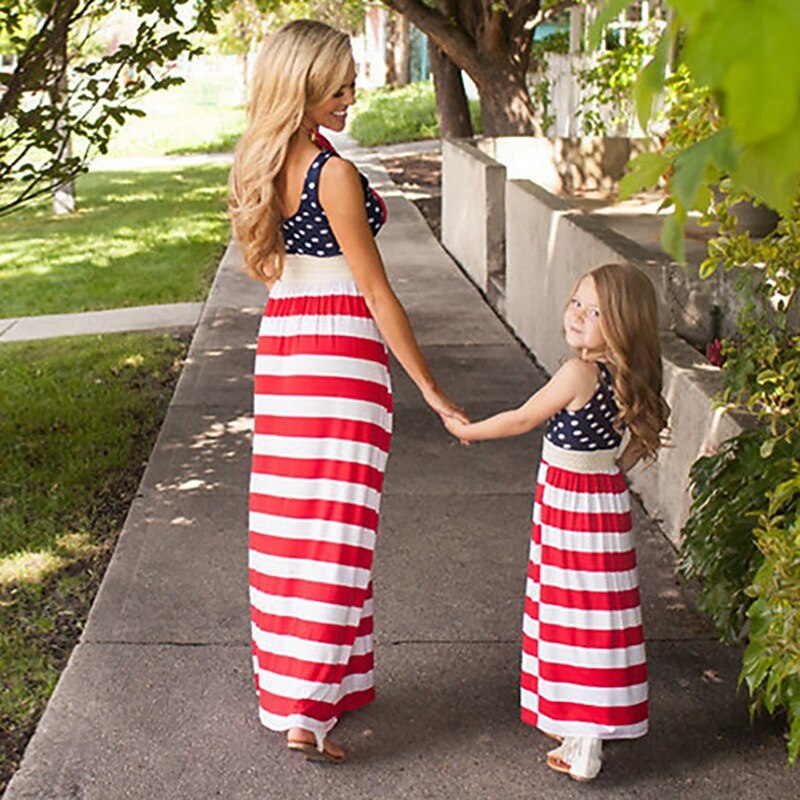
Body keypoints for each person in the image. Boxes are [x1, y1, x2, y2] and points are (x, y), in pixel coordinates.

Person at [227, 19, 465, 764]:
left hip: (287, 345)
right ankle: (307, 710)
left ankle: (327, 684)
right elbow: (376, 290)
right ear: (301, 88)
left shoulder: (259, 164)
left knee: (292, 524)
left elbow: (272, 269)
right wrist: (430, 388)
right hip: (339, 351)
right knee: (338, 526)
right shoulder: (334, 175)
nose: (351, 97)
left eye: (352, 82)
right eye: (338, 87)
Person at [444, 262, 669, 781]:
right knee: (601, 609)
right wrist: (605, 471)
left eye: (595, 312)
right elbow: (630, 451)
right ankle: (586, 727)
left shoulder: (579, 373)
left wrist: (470, 430)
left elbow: (525, 417)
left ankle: (584, 735)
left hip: (569, 509)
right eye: (576, 302)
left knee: (572, 613)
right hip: (605, 505)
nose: (578, 316)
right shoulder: (628, 377)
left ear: (622, 323)